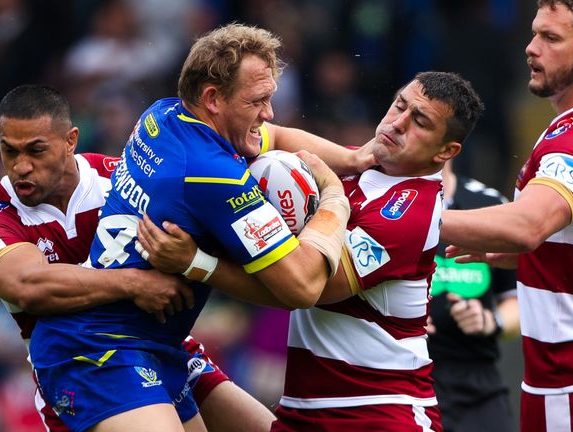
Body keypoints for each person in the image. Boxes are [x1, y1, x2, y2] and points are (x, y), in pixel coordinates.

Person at [28, 23, 373, 432]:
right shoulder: (215, 177)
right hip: (99, 347)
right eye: (258, 101)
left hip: (155, 344)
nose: (269, 113)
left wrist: (355, 160)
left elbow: (276, 136)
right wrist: (334, 199)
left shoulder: (163, 115)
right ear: (213, 98)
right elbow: (301, 287)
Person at [139, 71, 486, 431]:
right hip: (305, 411)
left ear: (446, 151)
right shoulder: (354, 163)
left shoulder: (409, 211)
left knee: (189, 374)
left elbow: (307, 287)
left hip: (379, 413)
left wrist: (197, 262)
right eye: (399, 105)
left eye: (420, 121)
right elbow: (271, 136)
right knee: (183, 369)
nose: (397, 123)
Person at [0, 84, 275, 432]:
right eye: (10, 151)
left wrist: (343, 166)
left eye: (36, 151)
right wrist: (134, 283)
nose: (21, 167)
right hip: (83, 362)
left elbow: (258, 142)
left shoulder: (118, 177)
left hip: (167, 346)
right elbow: (25, 285)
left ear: (70, 140)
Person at [440, 1, 573, 430]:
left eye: (550, 38)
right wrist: (539, 257)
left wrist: (413, 220)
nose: (530, 47)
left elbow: (526, 226)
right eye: (535, 33)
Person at [426, 160, 520, 432]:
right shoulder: (380, 202)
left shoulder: (489, 204)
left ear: (452, 146)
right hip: (400, 379)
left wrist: (490, 322)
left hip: (475, 381)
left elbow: (516, 301)